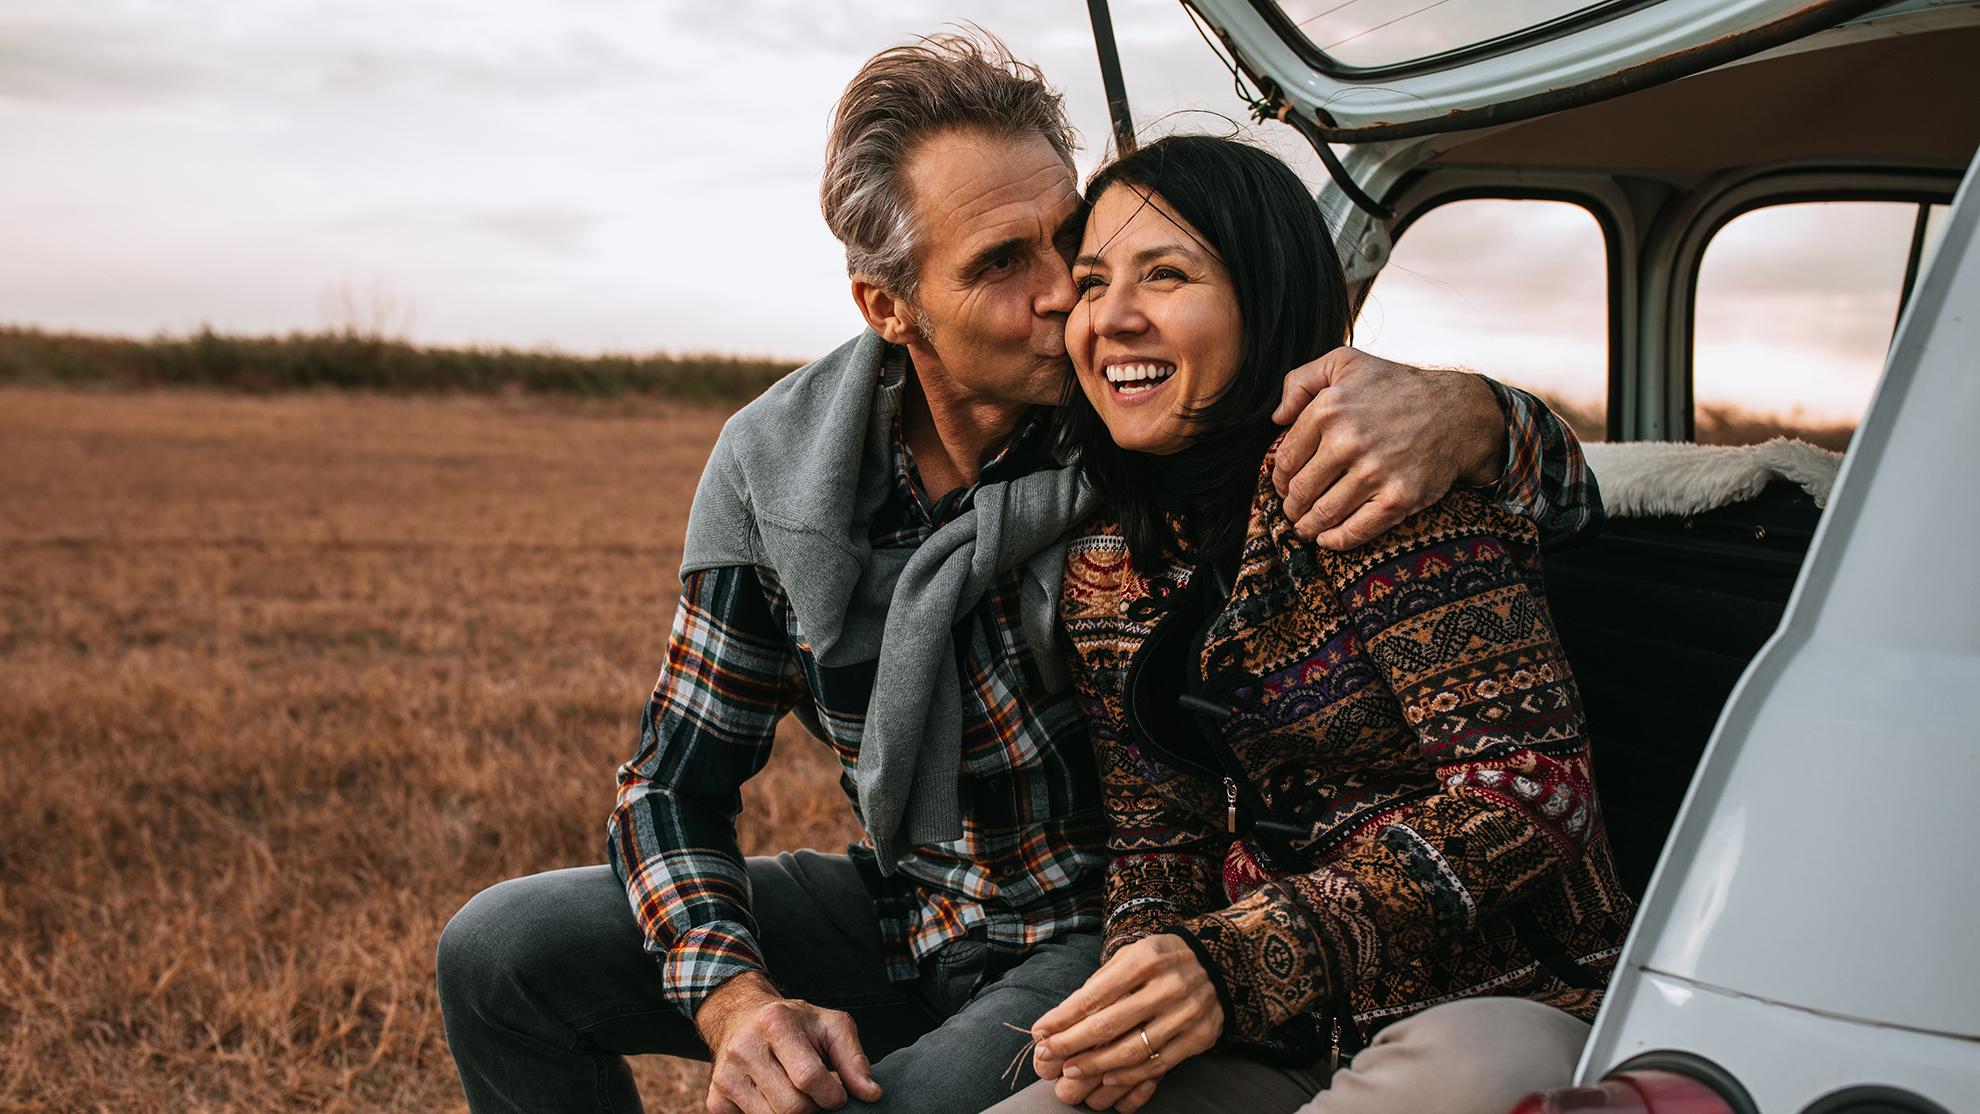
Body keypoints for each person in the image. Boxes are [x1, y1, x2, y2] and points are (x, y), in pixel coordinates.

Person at [434, 35, 1604, 1114]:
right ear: (889, 307)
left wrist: (1475, 412)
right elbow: (672, 784)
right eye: (1005, 263)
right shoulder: (780, 472)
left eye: (1070, 243)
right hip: (917, 902)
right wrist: (735, 1000)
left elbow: (1505, 514)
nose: (1068, 296)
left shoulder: (1152, 425)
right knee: (500, 952)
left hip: (1088, 927)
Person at [984, 135, 1635, 1114]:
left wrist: (1241, 960)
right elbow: (1158, 833)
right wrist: (1145, 989)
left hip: (1499, 1000)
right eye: (1091, 282)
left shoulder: (1382, 486)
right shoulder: (1107, 563)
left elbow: (1531, 793)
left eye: (1166, 274)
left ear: (1267, 295)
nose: (1111, 317)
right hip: (1279, 1027)